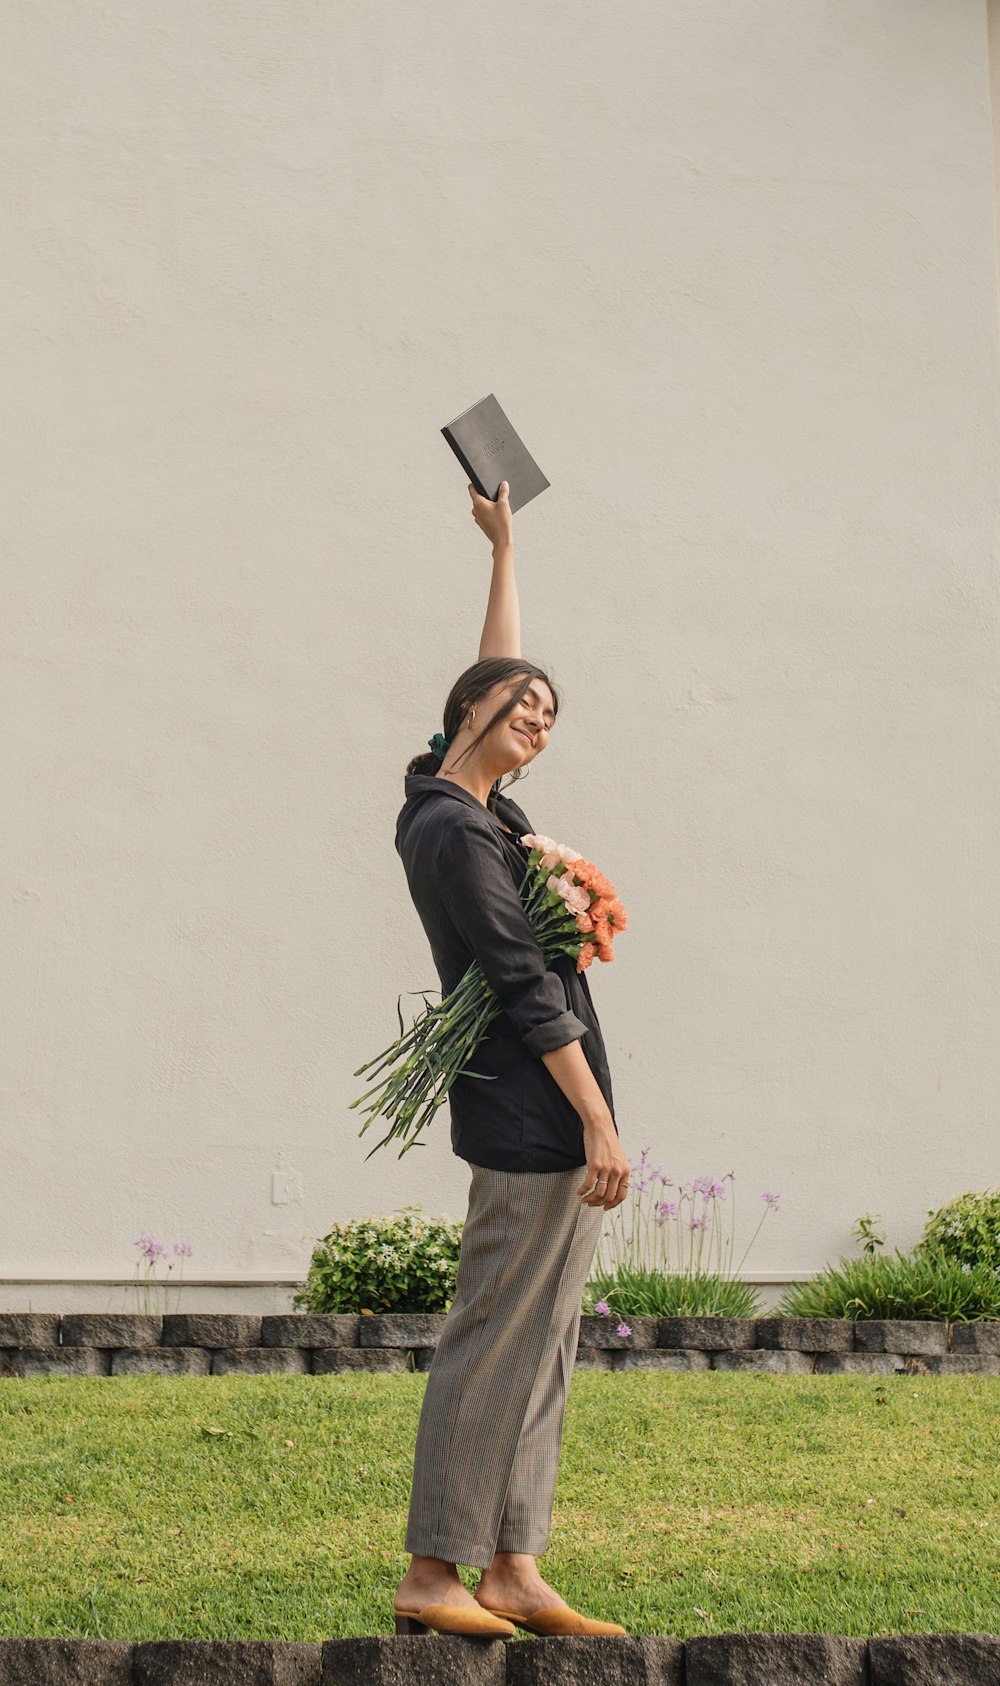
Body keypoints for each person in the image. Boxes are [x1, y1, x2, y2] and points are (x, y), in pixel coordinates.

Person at [391, 479, 631, 1640]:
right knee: (495, 1341)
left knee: (545, 1347)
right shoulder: (448, 826)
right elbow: (527, 989)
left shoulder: (489, 812)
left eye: (552, 714)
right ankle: (437, 1569)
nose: (539, 718)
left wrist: (504, 548)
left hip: (554, 1108)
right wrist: (597, 1120)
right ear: (470, 713)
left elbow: (498, 668)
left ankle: (514, 1565)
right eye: (522, 708)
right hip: (532, 1113)